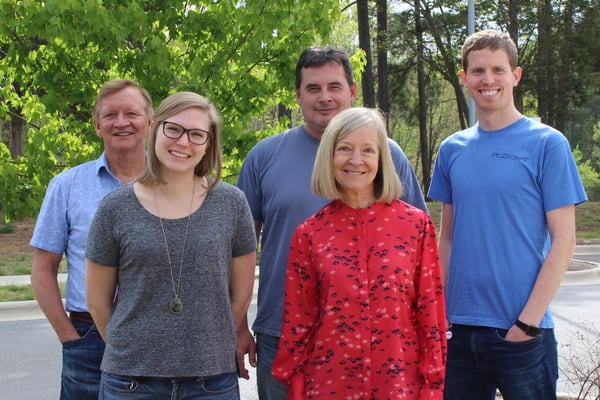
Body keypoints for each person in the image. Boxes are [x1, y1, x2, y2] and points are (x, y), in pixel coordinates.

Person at [236, 46, 429, 399]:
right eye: (313, 88)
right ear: (298, 95)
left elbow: (421, 259)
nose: (324, 97)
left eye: (334, 87)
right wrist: (236, 325)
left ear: (352, 91)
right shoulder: (264, 156)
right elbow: (239, 252)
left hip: (378, 342)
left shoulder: (385, 154)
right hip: (281, 332)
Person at [427, 29, 587, 400]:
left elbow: (564, 241)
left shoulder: (547, 143)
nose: (488, 80)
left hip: (522, 334)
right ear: (464, 77)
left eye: (498, 70)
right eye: (478, 71)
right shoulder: (452, 149)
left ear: (515, 76)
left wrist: (527, 324)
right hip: (458, 331)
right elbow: (447, 237)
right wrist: (440, 315)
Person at [85, 91, 257, 400]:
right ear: (154, 130)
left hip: (211, 382)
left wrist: (208, 344)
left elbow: (241, 296)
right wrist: (133, 350)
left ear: (209, 144)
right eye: (173, 129)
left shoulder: (232, 204)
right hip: (131, 382)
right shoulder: (115, 208)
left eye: (196, 134)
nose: (183, 142)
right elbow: (98, 303)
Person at [271, 107, 447, 399]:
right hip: (329, 383)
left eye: (367, 150)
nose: (356, 160)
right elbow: (298, 321)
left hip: (401, 384)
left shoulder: (416, 226)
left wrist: (434, 383)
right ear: (329, 156)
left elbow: (431, 313)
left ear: (381, 159)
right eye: (344, 149)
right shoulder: (310, 234)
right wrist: (295, 381)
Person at [30, 79, 153, 400]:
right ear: (98, 125)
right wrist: (69, 337)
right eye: (110, 114)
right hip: (87, 339)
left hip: (157, 338)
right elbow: (43, 269)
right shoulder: (67, 186)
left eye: (132, 113)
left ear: (150, 123)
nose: (121, 122)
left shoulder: (175, 185)